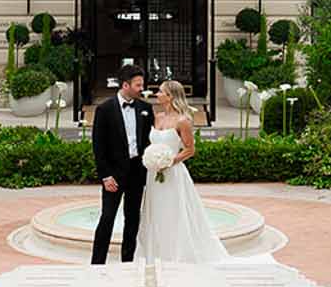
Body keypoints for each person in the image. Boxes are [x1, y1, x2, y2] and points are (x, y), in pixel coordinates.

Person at [136, 79, 228, 265]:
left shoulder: (183, 121)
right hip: (153, 174)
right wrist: (153, 160)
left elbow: (189, 150)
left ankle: (176, 252)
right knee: (155, 211)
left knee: (173, 210)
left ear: (170, 96)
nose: (157, 94)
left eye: (161, 92)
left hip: (173, 174)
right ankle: (156, 251)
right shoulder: (157, 117)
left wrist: (169, 161)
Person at [90, 69, 154, 264]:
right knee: (107, 217)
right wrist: (105, 175)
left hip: (137, 171)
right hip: (113, 174)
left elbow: (148, 141)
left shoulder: (145, 108)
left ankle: (127, 262)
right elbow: (98, 145)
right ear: (125, 85)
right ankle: (97, 263)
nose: (141, 89)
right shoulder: (105, 109)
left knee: (132, 219)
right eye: (138, 85)